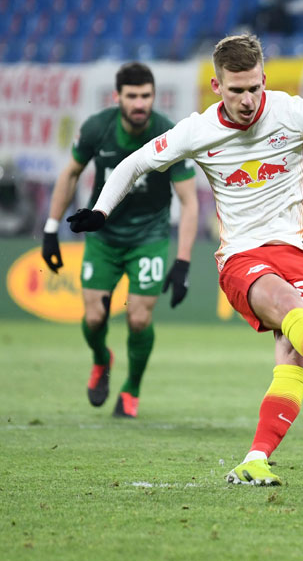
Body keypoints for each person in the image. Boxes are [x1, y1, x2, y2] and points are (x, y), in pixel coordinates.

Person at [66, 34, 303, 485]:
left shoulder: (290, 111)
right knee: (292, 309)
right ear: (217, 86)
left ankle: (255, 458)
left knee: (294, 355)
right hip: (243, 257)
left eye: (254, 88)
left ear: (264, 80)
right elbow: (133, 164)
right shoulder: (198, 131)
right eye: (236, 90)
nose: (248, 100)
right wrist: (100, 210)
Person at [41, 62, 199, 418]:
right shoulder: (98, 128)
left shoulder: (168, 133)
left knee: (139, 319)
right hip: (104, 237)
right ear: (118, 97)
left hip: (150, 236)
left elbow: (190, 202)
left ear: (154, 96)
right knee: (95, 318)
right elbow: (70, 173)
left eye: (146, 96)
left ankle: (132, 391)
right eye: (132, 96)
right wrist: (51, 229)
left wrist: (184, 260)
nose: (139, 103)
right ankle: (102, 359)